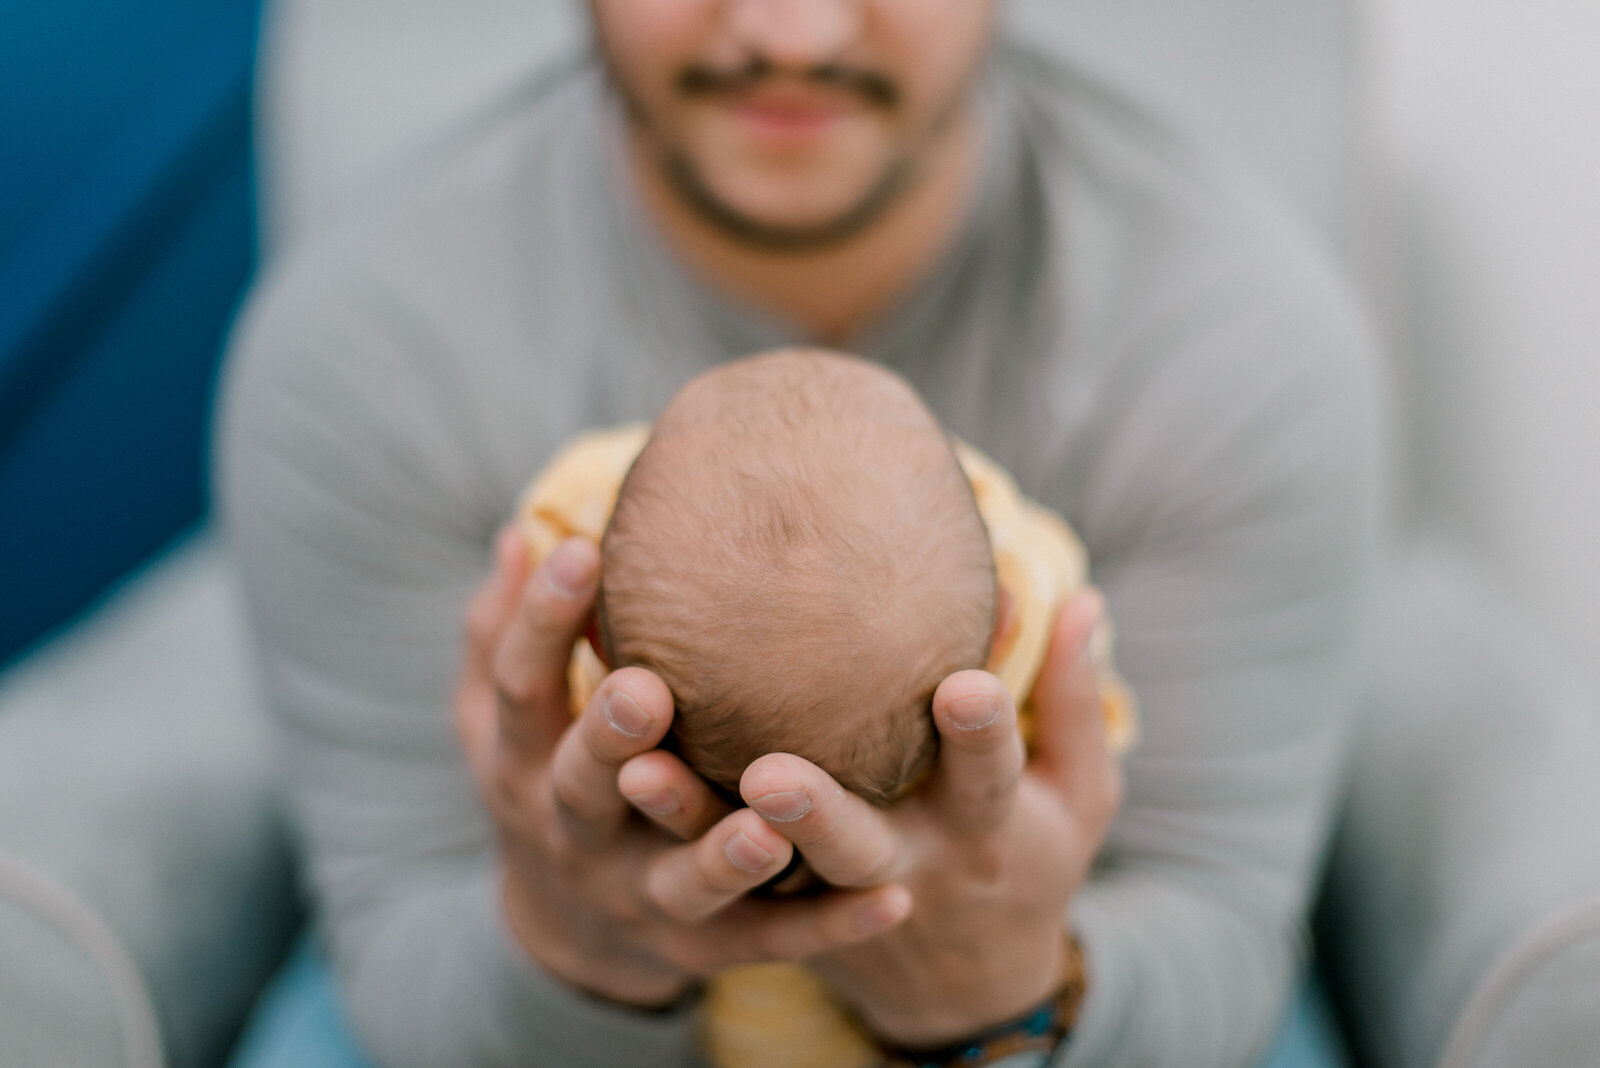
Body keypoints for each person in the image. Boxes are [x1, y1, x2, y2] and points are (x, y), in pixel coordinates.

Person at [218, 2, 1383, 1066]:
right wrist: (572, 948)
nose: (792, 31)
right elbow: (401, 938)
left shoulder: (1236, 344)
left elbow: (1216, 934)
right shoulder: (364, 349)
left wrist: (1013, 991)